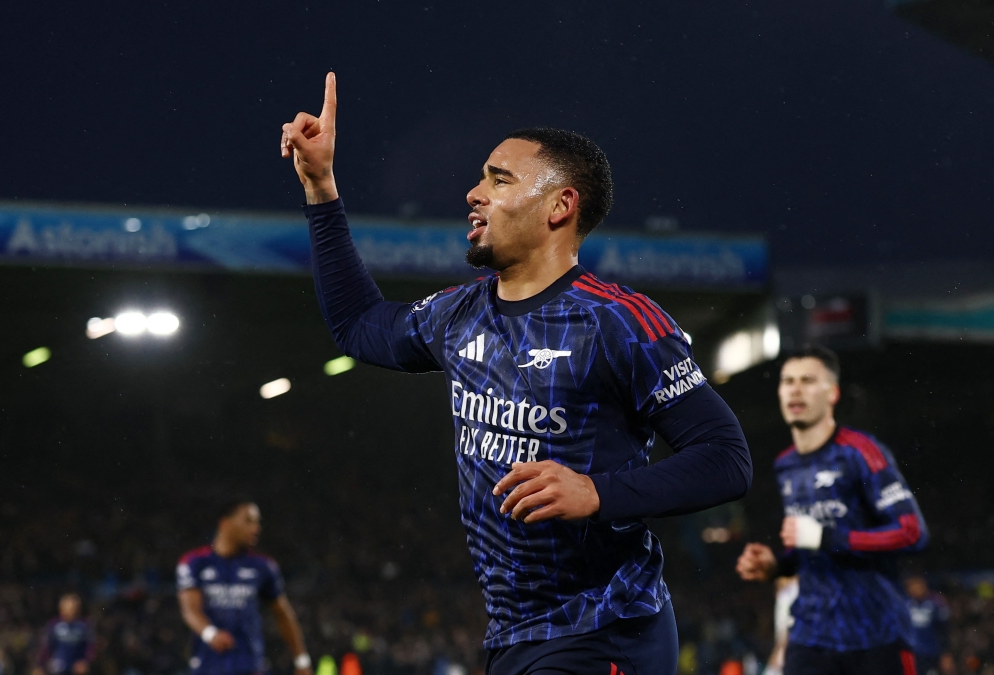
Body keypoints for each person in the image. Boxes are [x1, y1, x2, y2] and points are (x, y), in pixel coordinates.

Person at [280, 73, 752, 675]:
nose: (474, 193)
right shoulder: (459, 313)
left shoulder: (618, 321)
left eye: (498, 179)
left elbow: (726, 457)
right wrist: (321, 187)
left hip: (604, 628)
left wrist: (597, 492)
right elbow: (358, 324)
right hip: (511, 635)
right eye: (480, 177)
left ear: (561, 205)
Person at [736, 345, 928, 675]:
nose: (795, 389)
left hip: (875, 636)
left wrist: (827, 536)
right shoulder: (786, 465)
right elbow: (809, 548)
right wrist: (777, 566)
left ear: (833, 393)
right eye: (787, 381)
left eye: (808, 380)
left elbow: (912, 532)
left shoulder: (861, 452)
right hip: (811, 637)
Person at [177, 501, 312, 675]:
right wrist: (211, 634)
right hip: (207, 667)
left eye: (257, 522)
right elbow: (190, 610)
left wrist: (301, 661)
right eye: (248, 521)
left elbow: (283, 614)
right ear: (225, 523)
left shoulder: (263, 567)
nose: (256, 529)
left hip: (250, 667)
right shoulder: (194, 563)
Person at [33, 594, 94, 675]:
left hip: (77, 668)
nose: (71, 611)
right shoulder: (53, 625)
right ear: (61, 608)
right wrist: (40, 666)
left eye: (73, 608)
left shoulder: (84, 626)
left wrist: (86, 662)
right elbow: (46, 646)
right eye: (68, 608)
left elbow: (91, 647)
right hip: (56, 667)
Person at [905, 575, 950, 675]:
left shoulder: (936, 602)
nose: (913, 588)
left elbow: (944, 629)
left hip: (932, 652)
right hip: (913, 652)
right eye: (910, 586)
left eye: (916, 584)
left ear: (923, 584)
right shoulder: (905, 603)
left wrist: (946, 653)